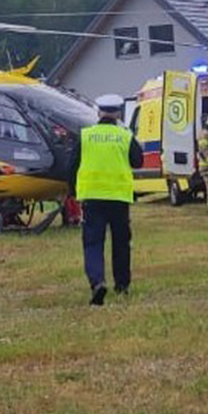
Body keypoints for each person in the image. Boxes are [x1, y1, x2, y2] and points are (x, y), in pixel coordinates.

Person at [69, 93, 143, 305]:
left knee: (92, 243)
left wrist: (73, 191)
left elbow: (72, 166)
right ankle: (122, 285)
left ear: (99, 112)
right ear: (118, 113)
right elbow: (138, 161)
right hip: (118, 197)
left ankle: (97, 282)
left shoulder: (85, 135)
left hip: (92, 197)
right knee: (121, 243)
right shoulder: (125, 135)